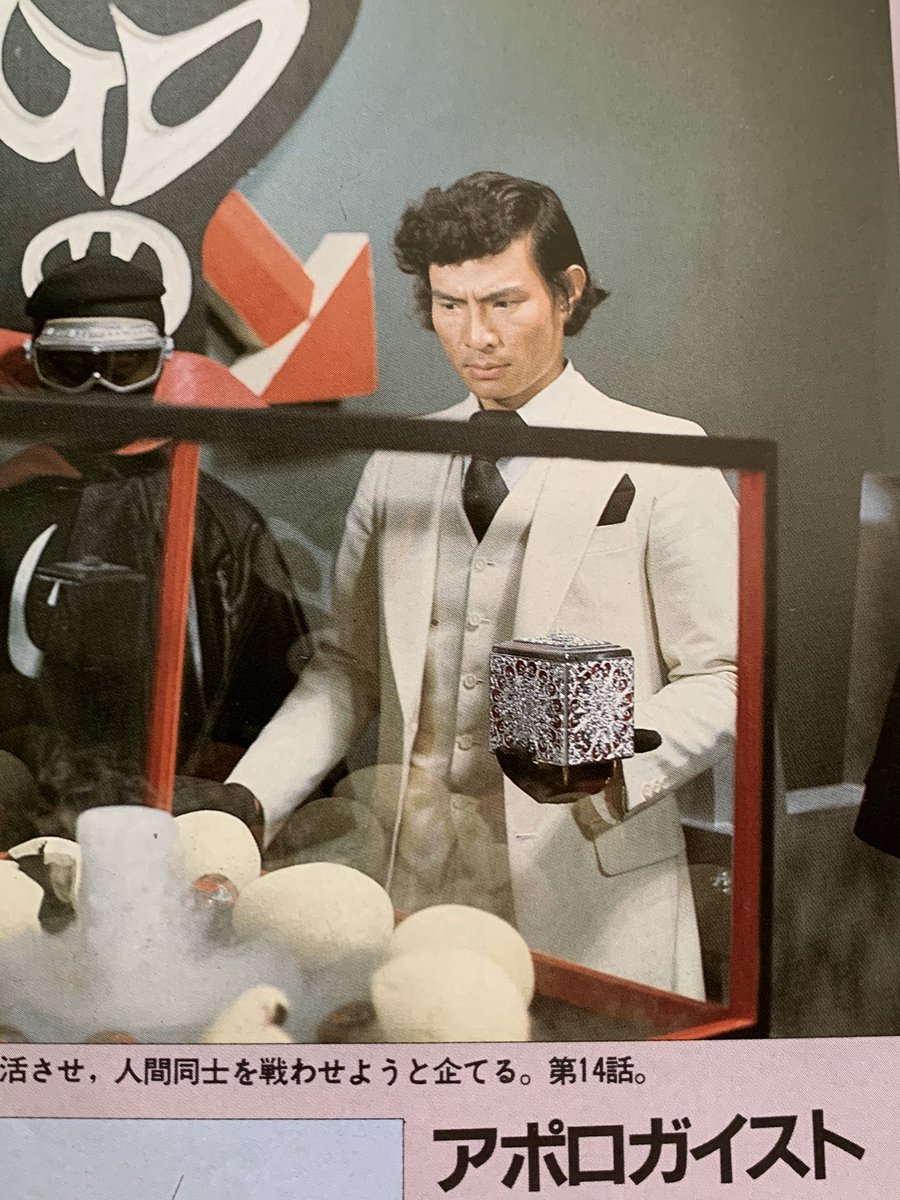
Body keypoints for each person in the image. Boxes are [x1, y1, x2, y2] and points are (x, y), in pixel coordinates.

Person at [229, 172, 738, 997]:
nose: (477, 336)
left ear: (568, 292)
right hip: (414, 887)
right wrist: (245, 803)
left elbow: (726, 676)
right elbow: (347, 670)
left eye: (504, 302)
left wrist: (606, 765)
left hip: (593, 894)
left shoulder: (665, 456)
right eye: (450, 305)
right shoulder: (399, 461)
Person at [0, 255, 308, 849]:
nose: (99, 389)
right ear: (37, 366)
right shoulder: (11, 504)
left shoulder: (219, 525)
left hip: (178, 824)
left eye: (127, 366)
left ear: (163, 363)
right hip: (23, 821)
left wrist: (225, 807)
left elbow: (269, 693)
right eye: (71, 367)